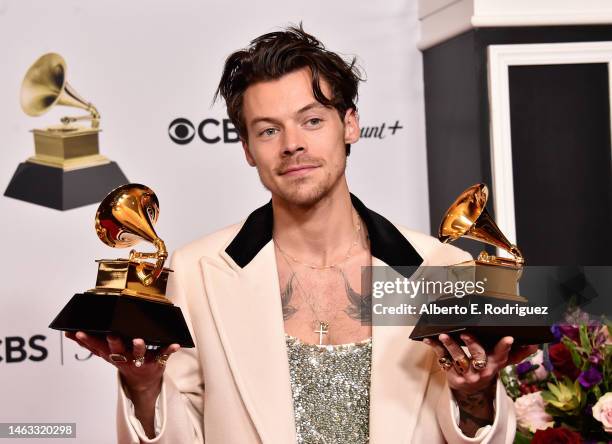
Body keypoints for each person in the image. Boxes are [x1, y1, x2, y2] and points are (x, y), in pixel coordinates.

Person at [66, 25, 537, 443]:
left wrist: (476, 398)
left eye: (312, 120)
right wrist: (145, 389)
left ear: (349, 124)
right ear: (248, 149)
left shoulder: (440, 267)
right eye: (268, 131)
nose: (293, 144)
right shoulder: (196, 272)